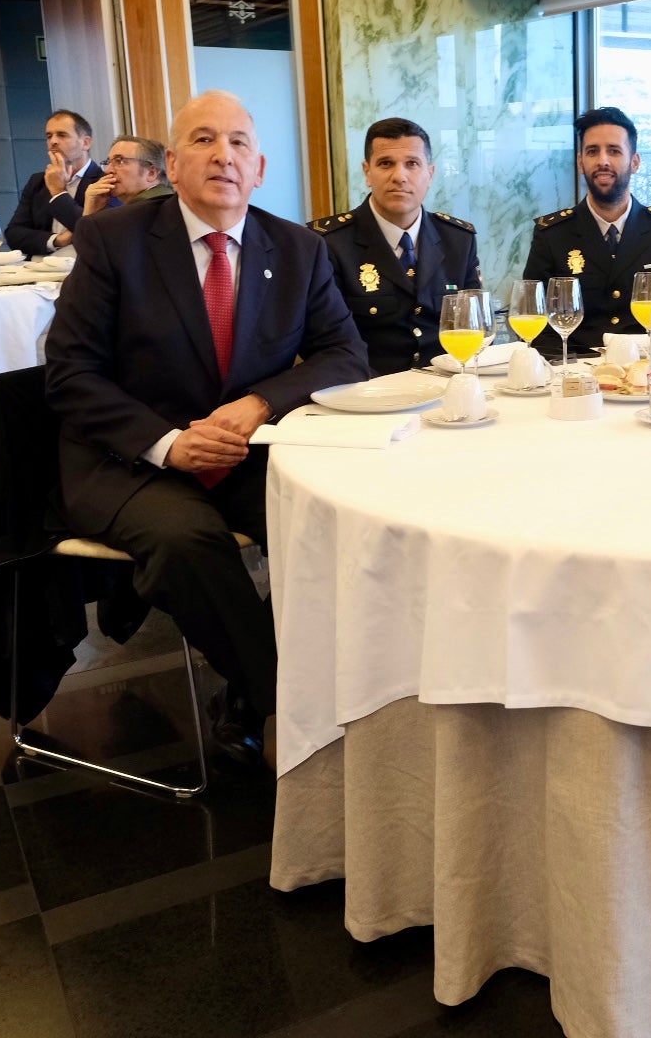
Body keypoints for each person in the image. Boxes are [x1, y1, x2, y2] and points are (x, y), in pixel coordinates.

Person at [44, 90, 368, 765]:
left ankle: (250, 694)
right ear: (172, 165)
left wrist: (259, 404)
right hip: (130, 456)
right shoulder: (114, 241)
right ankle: (287, 700)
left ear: (260, 168)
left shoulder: (298, 249)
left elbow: (345, 354)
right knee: (187, 541)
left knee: (336, 516)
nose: (224, 155)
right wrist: (169, 444)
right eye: (203, 140)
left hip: (244, 449)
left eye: (239, 143)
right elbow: (70, 373)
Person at [311, 118, 480, 376]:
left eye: (412, 164)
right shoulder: (326, 244)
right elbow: (326, 346)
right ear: (367, 172)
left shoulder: (458, 239)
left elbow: (475, 328)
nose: (399, 176)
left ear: (430, 174)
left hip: (447, 385)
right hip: (364, 389)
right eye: (385, 163)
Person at [523, 106, 651, 352]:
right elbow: (534, 326)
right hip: (574, 369)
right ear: (580, 162)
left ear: (634, 162)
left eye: (614, 151)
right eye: (592, 151)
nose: (603, 161)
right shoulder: (552, 234)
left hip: (648, 367)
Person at [4, 110, 104, 258]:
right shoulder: (38, 181)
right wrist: (58, 240)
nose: (53, 141)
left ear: (85, 143)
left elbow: (93, 232)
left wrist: (58, 192)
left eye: (62, 135)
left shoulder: (103, 182)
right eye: (49, 136)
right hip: (37, 267)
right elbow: (13, 234)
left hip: (81, 267)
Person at [75, 135, 174, 219]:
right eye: (108, 162)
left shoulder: (142, 209)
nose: (108, 170)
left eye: (119, 161)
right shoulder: (167, 200)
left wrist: (88, 213)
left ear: (151, 173)